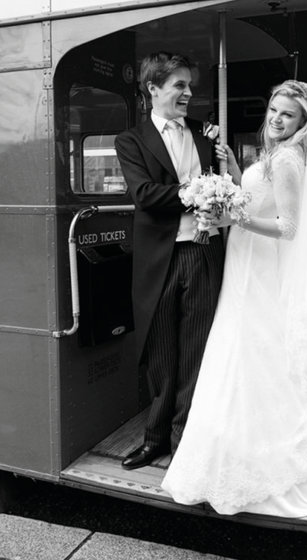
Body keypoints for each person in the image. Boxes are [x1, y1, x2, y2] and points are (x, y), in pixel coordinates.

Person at [161, 80, 307, 517]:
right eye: (273, 109)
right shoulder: (270, 155)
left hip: (261, 270)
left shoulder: (286, 159)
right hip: (245, 265)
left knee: (254, 350)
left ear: (303, 122)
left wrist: (235, 219)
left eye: (287, 114)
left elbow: (288, 227)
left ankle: (262, 458)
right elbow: (254, 202)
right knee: (240, 350)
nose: (276, 118)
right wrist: (229, 174)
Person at [113, 52, 224, 471]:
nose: (188, 93)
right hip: (159, 258)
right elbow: (143, 195)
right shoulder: (131, 140)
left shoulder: (206, 133)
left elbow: (225, 181)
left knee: (196, 353)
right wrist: (196, 192)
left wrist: (218, 188)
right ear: (153, 89)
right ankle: (154, 439)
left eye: (189, 86)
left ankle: (184, 444)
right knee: (160, 354)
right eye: (179, 85)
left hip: (204, 250)